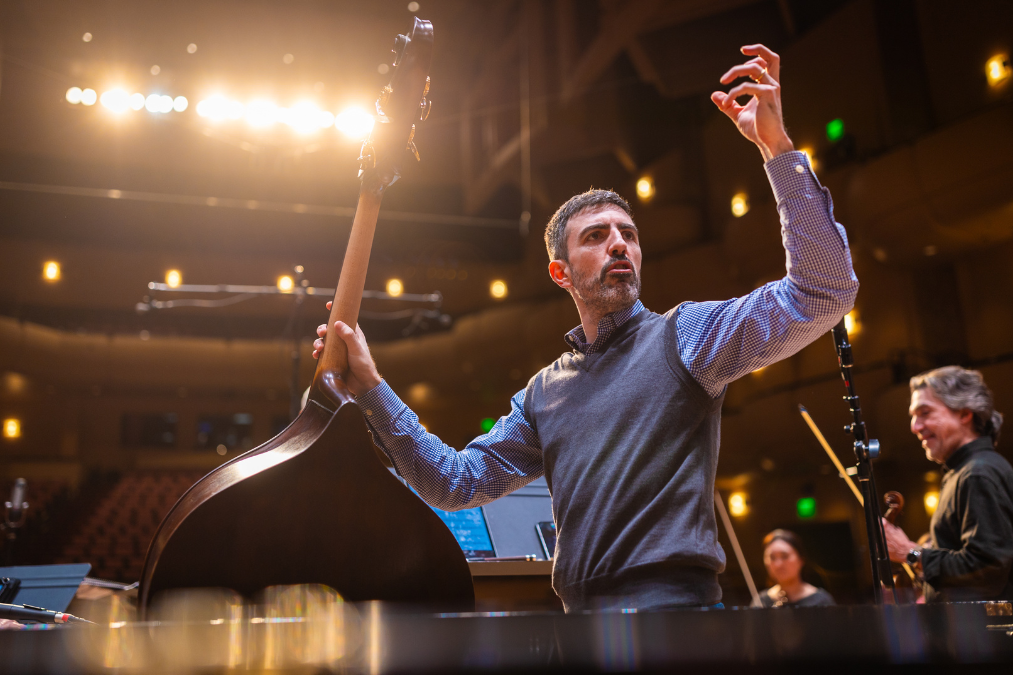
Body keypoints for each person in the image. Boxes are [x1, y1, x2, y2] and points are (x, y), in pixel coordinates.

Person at [314, 44, 859, 612]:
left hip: (681, 619)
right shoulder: (544, 393)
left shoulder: (686, 337)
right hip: (582, 627)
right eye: (595, 237)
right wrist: (372, 390)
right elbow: (454, 483)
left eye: (628, 233)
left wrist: (776, 149)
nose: (619, 242)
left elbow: (824, 291)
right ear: (561, 272)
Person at [882, 366, 1013, 602]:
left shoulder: (977, 473)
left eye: (925, 413)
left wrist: (909, 552)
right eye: (913, 416)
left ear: (964, 414)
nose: (914, 426)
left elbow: (988, 570)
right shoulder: (965, 471)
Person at [752, 530, 834, 608]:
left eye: (785, 556)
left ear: (801, 559)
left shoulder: (821, 601)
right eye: (772, 558)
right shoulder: (761, 601)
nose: (778, 564)